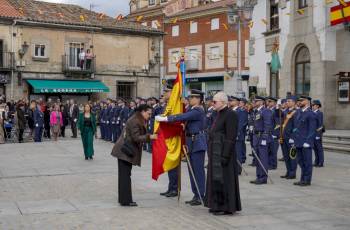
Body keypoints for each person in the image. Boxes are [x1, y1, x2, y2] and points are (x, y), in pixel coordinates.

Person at [156, 89, 207, 206]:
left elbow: (183, 116)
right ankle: (196, 194)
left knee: (198, 170)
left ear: (198, 99)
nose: (190, 99)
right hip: (190, 142)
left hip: (197, 142)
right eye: (190, 97)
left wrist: (166, 119)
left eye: (192, 97)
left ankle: (200, 195)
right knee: (191, 170)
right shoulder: (191, 108)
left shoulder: (198, 110)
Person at [111, 104, 157, 206]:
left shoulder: (138, 118)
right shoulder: (135, 120)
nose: (149, 116)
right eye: (148, 114)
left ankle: (124, 199)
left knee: (125, 176)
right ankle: (126, 201)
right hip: (125, 152)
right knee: (125, 176)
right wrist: (150, 137)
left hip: (126, 151)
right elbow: (136, 137)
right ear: (143, 111)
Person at [204, 91, 241, 215]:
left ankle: (226, 206)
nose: (212, 104)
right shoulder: (218, 113)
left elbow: (231, 136)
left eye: (215, 101)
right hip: (215, 153)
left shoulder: (231, 114)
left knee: (225, 180)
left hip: (225, 154)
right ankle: (216, 204)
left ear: (224, 102)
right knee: (216, 180)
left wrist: (225, 155)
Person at [292, 96, 316, 186]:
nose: (300, 102)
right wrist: (293, 139)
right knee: (300, 161)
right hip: (298, 141)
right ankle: (302, 178)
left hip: (306, 143)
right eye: (299, 100)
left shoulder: (311, 114)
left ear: (307, 101)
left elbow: (312, 129)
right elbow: (296, 128)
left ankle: (307, 180)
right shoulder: (299, 112)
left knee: (307, 162)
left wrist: (308, 142)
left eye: (302, 100)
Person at [250, 96, 273, 185]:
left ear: (262, 102)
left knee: (263, 158)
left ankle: (263, 178)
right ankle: (258, 176)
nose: (255, 102)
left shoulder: (266, 111)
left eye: (256, 101)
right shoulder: (257, 111)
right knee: (258, 158)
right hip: (256, 137)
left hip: (262, 137)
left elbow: (268, 125)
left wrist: (264, 138)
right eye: (254, 101)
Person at [280, 95, 298, 180]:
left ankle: (292, 173)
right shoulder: (285, 111)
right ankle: (288, 171)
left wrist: (293, 137)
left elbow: (296, 126)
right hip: (283, 137)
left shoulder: (296, 112)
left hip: (290, 138)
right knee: (286, 156)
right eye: (287, 101)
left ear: (294, 102)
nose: (287, 102)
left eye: (289, 101)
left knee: (292, 156)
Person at [312, 100, 324, 167]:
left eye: (314, 105)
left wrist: (318, 135)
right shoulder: (312, 113)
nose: (312, 106)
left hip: (317, 134)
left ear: (317, 106)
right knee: (315, 149)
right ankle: (316, 161)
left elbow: (320, 125)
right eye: (312, 105)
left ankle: (321, 162)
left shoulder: (319, 113)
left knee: (319, 149)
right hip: (313, 134)